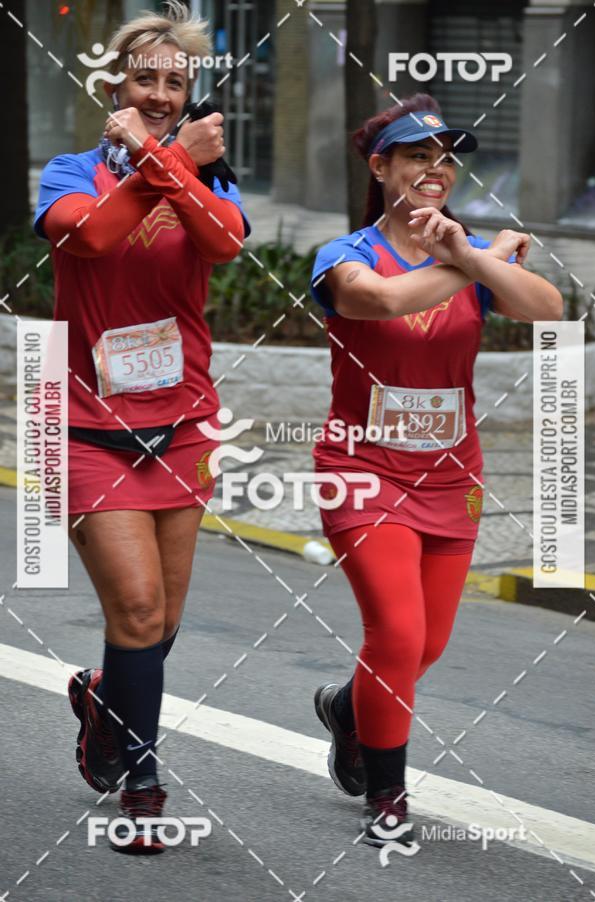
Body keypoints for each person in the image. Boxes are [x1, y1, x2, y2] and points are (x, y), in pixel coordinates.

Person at [310, 94, 562, 846]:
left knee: (427, 646)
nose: (435, 169)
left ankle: (347, 710)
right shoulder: (344, 255)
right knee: (395, 630)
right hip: (361, 472)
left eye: (445, 158)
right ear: (380, 165)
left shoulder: (471, 250)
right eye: (418, 155)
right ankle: (388, 799)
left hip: (453, 479)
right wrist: (473, 260)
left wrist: (473, 254)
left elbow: (547, 309)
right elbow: (379, 302)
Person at [33, 0, 250, 854]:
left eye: (176, 81)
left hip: (185, 426)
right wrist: (163, 160)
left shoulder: (206, 179)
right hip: (84, 424)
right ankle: (141, 779)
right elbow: (88, 238)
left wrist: (173, 164)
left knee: (158, 625)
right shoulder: (70, 171)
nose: (161, 92)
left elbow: (224, 243)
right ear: (114, 85)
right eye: (145, 77)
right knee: (135, 605)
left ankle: (102, 703)